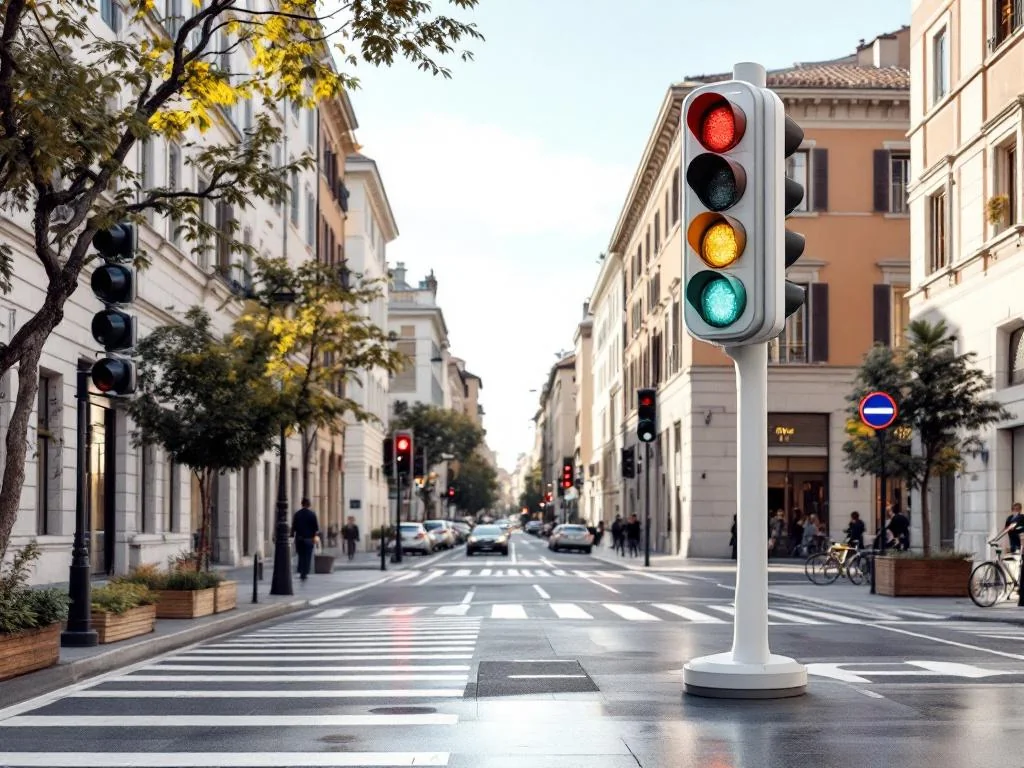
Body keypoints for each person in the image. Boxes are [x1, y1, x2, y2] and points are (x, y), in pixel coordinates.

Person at [290, 498, 321, 581]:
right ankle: (305, 572)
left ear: (302, 504)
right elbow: (316, 528)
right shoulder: (312, 514)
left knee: (301, 555)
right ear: (309, 504)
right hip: (309, 539)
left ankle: (301, 571)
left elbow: (294, 527)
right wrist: (315, 537)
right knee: (308, 556)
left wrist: (292, 535)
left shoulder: (297, 514)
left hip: (299, 538)